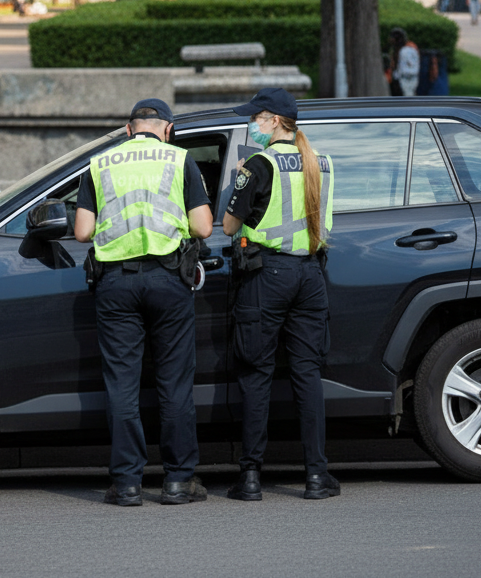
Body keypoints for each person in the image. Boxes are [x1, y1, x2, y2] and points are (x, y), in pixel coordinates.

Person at [73, 99, 214, 507]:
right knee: (174, 383)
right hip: (168, 281)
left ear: (129, 128)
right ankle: (178, 481)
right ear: (166, 129)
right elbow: (203, 225)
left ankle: (128, 484)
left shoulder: (101, 164)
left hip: (116, 284)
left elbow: (83, 232)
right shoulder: (180, 160)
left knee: (122, 385)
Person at [222, 87, 339, 502]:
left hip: (267, 276)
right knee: (307, 376)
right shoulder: (321, 162)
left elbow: (229, 227)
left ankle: (251, 477)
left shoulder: (257, 164)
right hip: (311, 276)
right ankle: (316, 477)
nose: (252, 125)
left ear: (273, 120)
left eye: (256, 118)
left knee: (257, 375)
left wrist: (240, 179)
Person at [385, 27, 420, 97]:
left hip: (405, 79)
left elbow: (405, 68)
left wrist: (397, 76)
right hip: (408, 78)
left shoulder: (406, 51)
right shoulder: (408, 49)